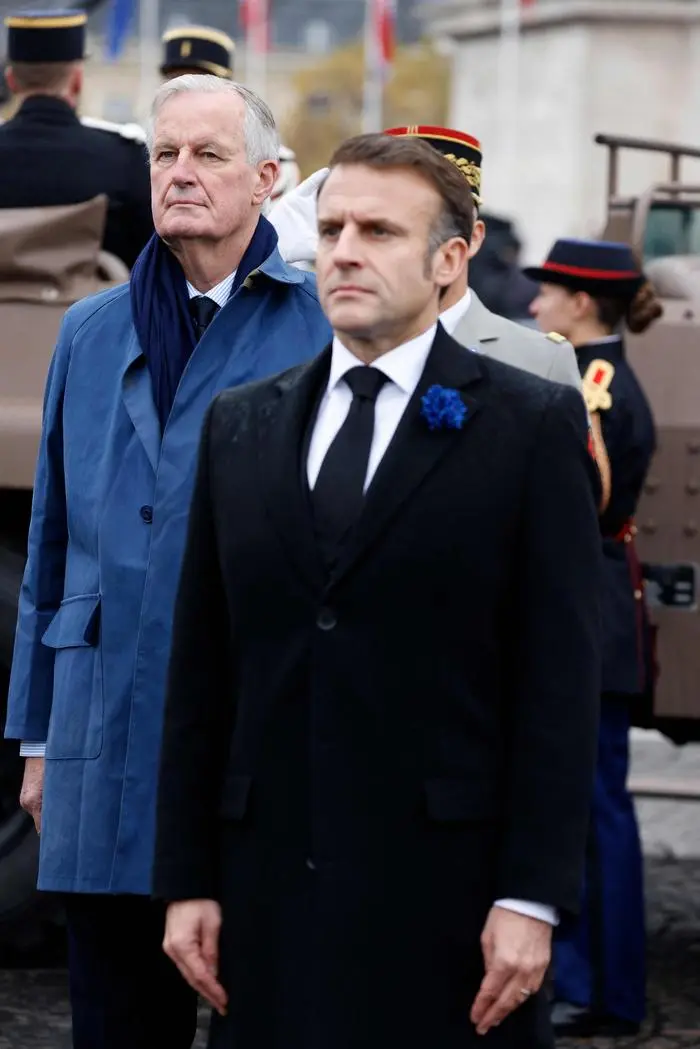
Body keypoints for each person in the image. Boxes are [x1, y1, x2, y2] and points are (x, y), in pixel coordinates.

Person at [154, 133, 602, 1049]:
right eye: (331, 228)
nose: (345, 250)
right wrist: (187, 877)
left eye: (379, 231)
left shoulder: (527, 423)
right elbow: (203, 670)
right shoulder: (242, 424)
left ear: (449, 260)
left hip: (451, 909)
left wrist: (531, 894)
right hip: (270, 907)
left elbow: (558, 682)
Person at [4, 74, 331, 1049]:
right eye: (163, 154)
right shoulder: (89, 332)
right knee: (113, 1015)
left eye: (208, 155)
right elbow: (53, 545)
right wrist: (32, 735)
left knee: (261, 1011)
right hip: (100, 732)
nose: (180, 174)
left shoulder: (318, 327)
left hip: (249, 741)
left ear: (268, 179)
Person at [527, 237, 662, 1038]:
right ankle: (599, 981)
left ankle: (604, 988)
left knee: (592, 811)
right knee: (590, 807)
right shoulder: (592, 369)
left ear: (582, 302)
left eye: (549, 293)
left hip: (590, 607)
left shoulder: (596, 380)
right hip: (602, 604)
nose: (537, 304)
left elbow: (588, 494)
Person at [270, 123, 582, 388]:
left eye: (381, 230)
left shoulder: (540, 361)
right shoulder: (320, 340)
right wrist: (265, 252)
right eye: (333, 230)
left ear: (472, 238)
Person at [0, 9, 152, 268]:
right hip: (98, 307)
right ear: (78, 81)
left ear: (11, 81)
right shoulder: (125, 158)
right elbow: (148, 257)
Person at [161, 24, 300, 206]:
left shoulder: (268, 164)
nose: (184, 95)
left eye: (199, 84)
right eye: (175, 84)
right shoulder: (137, 156)